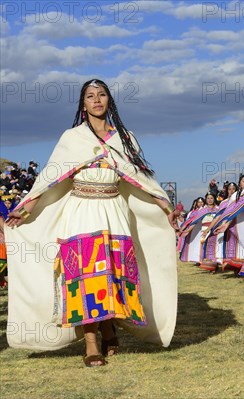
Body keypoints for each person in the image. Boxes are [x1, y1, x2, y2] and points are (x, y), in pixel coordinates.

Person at [4, 79, 179, 367]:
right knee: (86, 277)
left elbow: (142, 178)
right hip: (81, 211)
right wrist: (26, 207)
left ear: (109, 100)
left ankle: (109, 327)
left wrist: (165, 207)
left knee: (111, 275)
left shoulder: (125, 138)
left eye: (101, 95)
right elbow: (50, 176)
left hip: (114, 211)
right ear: (82, 104)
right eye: (90, 96)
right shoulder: (72, 138)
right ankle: (91, 343)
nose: (96, 100)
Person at [177, 193, 218, 266]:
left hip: (215, 229)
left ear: (214, 199)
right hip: (204, 230)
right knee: (203, 245)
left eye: (211, 198)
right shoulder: (203, 210)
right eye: (208, 198)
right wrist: (188, 230)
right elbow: (195, 222)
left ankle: (214, 263)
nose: (210, 200)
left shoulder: (218, 209)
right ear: (206, 199)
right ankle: (207, 263)